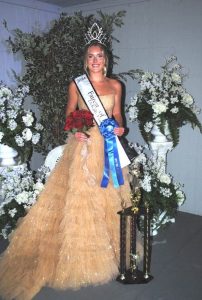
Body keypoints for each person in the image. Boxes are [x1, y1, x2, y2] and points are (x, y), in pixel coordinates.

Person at [0, 26, 142, 300]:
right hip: (85, 147)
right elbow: (69, 115)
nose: (96, 60)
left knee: (109, 199)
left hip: (108, 147)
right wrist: (75, 130)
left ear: (106, 60)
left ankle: (109, 254)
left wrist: (121, 129)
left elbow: (118, 116)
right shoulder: (77, 84)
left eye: (100, 55)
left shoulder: (115, 85)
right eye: (91, 56)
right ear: (85, 60)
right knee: (81, 201)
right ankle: (80, 257)